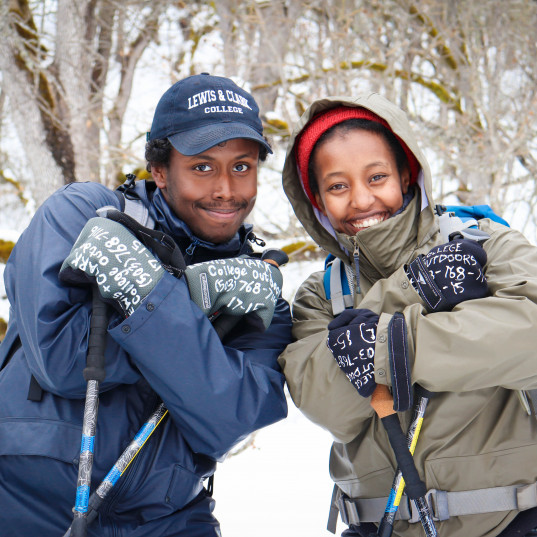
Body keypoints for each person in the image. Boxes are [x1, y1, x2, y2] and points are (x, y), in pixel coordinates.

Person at [0, 73, 292, 536]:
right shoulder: (85, 213)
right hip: (24, 499)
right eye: (202, 166)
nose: (226, 190)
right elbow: (59, 357)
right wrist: (193, 300)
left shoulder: (258, 291)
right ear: (159, 170)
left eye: (242, 166)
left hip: (167, 518)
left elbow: (230, 417)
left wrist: (159, 295)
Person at [278, 94, 537, 537]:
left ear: (405, 173)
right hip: (378, 527)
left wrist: (396, 344)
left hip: (510, 520)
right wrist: (409, 291)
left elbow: (528, 336)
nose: (361, 199)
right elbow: (326, 405)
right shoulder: (319, 297)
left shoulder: (484, 244)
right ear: (317, 200)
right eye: (338, 186)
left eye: (376, 177)